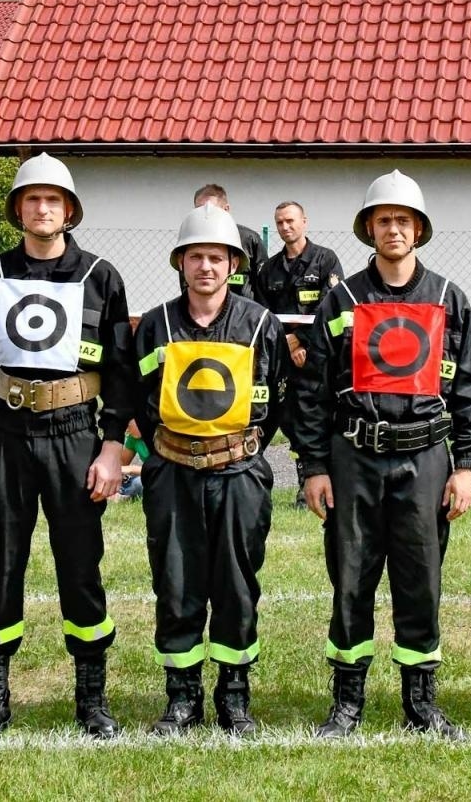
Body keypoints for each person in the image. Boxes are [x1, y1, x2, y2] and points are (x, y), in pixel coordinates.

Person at [290, 169, 471, 739]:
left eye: (404, 220)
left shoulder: (449, 298)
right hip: (354, 458)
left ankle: (420, 703)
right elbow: (313, 390)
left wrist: (467, 466)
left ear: (419, 229)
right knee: (350, 577)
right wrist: (313, 467)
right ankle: (347, 702)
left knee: (420, 580)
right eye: (384, 220)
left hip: (426, 459)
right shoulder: (343, 298)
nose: (394, 229)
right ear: (369, 229)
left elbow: (470, 388)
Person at [0, 154, 136, 739]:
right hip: (2, 436)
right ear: (18, 210)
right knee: (0, 567)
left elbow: (124, 374)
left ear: (69, 209)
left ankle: (91, 700)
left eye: (53, 200)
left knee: (80, 569)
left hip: (74, 435)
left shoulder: (102, 276)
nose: (43, 208)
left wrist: (111, 450)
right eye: (32, 199)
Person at [133, 204, 284, 736]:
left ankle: (234, 695)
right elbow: (135, 398)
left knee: (237, 584)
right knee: (176, 584)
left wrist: (243, 448)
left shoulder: (260, 323)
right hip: (172, 472)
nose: (206, 267)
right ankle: (182, 698)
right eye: (196, 256)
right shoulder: (155, 325)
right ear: (180, 262)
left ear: (233, 264)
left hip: (238, 473)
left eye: (216, 257)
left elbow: (279, 401)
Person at [255, 199, 344, 505]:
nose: (285, 227)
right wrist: (289, 341)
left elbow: (331, 307)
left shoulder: (325, 260)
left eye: (290, 220)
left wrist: (304, 341)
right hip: (283, 357)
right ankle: (303, 484)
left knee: (319, 417)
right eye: (280, 222)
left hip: (318, 357)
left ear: (304, 221)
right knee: (290, 420)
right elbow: (263, 314)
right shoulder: (268, 269)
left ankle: (325, 483)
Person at [184, 184, 265, 299]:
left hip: (243, 313)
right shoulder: (189, 240)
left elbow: (263, 284)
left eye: (213, 210)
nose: (205, 215)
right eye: (199, 210)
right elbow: (186, 284)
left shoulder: (249, 239)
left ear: (226, 209)